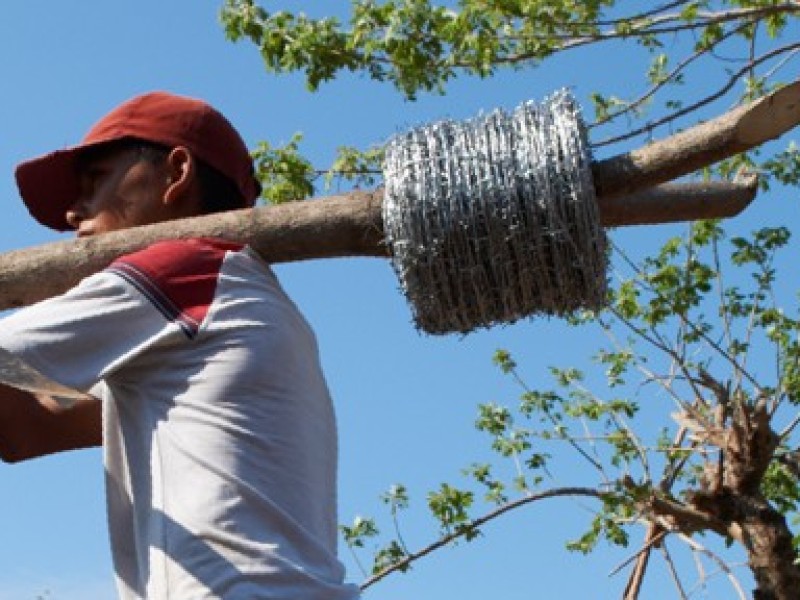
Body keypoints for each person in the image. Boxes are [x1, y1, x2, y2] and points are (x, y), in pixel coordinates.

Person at [0, 91, 360, 599]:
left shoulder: (188, 271)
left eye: (96, 181)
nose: (72, 211)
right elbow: (23, 426)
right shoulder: (221, 314)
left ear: (176, 173)